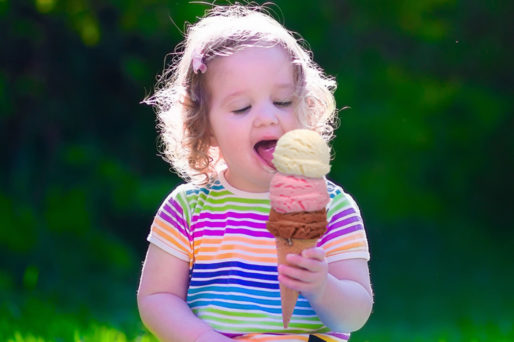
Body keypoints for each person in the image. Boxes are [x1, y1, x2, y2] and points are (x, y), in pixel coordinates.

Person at [137, 4, 373, 342]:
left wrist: (323, 287)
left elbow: (356, 313)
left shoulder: (333, 207)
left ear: (307, 107)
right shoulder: (188, 210)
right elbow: (157, 298)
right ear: (205, 128)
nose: (267, 117)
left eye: (282, 102)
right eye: (242, 108)